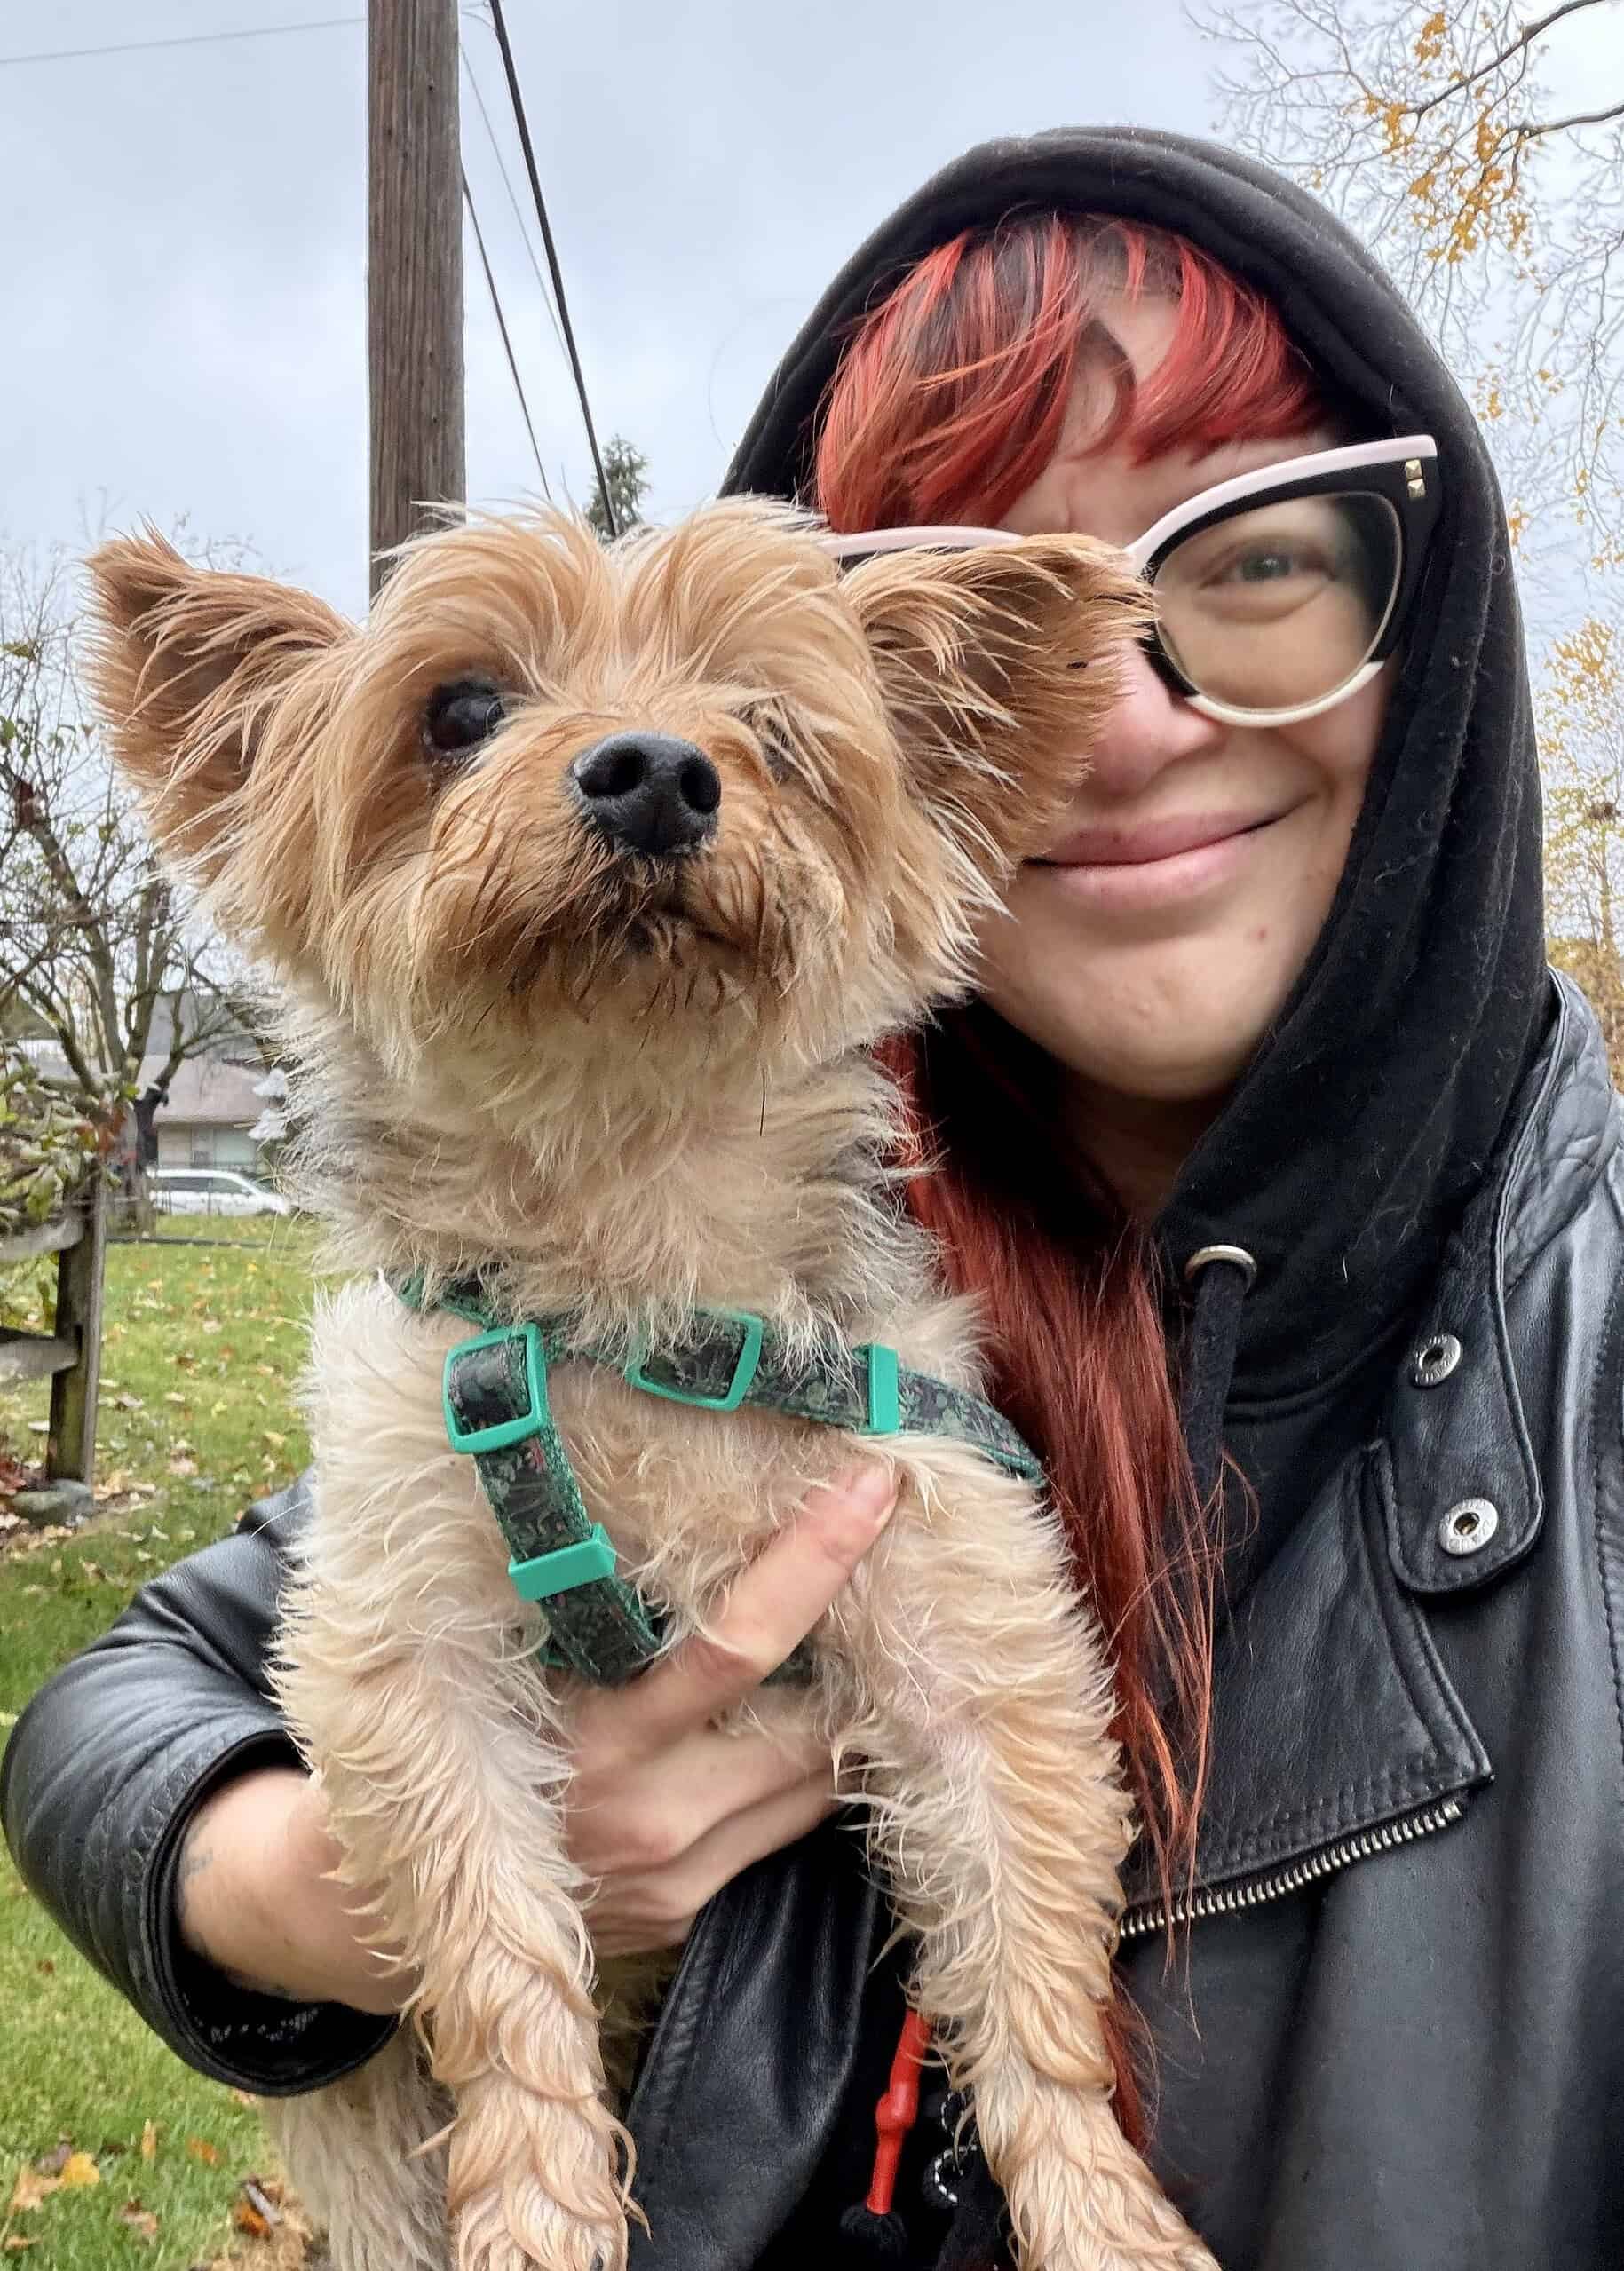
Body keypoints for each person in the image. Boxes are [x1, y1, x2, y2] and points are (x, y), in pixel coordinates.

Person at [4, 126, 1622, 2271]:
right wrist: (290, 1888)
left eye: (1250, 560)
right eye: (481, 710)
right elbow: (128, 1699)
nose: (1123, 722)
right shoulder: (500, 1332)